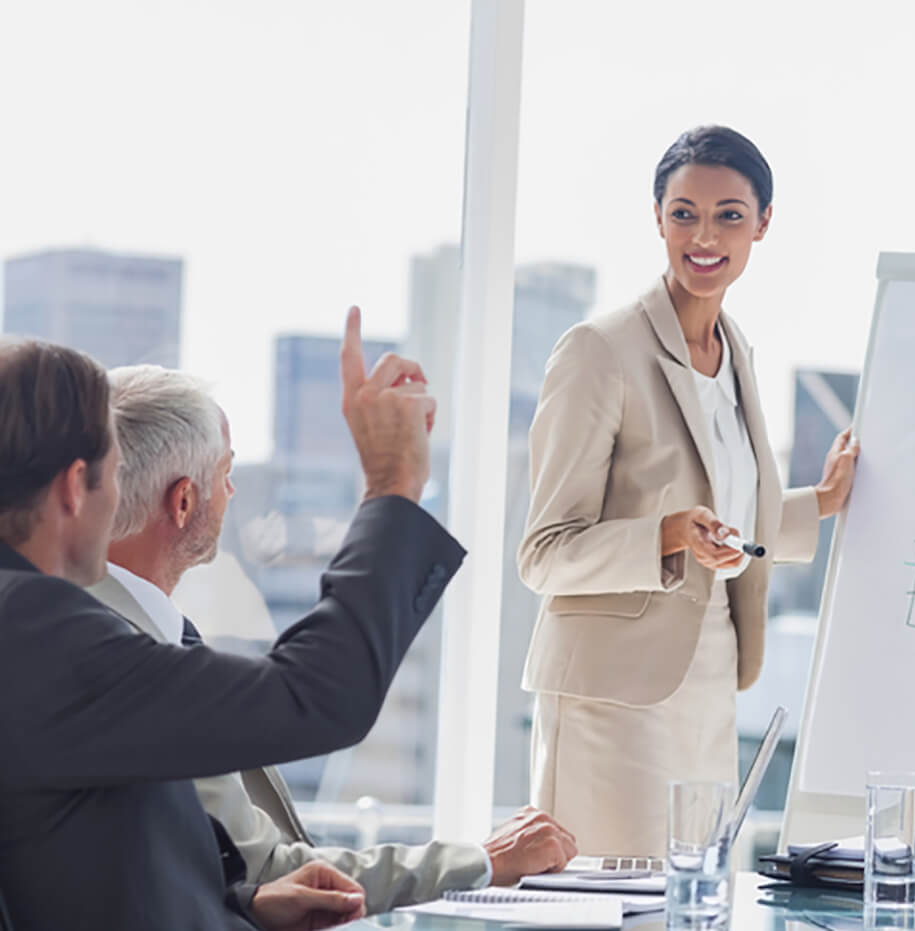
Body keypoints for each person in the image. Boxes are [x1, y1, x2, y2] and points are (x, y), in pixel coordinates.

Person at [0, 313, 458, 929]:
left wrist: (245, 902)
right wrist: (393, 484)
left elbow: (62, 868)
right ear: (76, 486)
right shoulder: (38, 629)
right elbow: (315, 695)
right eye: (114, 472)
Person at [86, 363, 580, 913]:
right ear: (182, 503)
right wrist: (485, 860)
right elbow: (267, 866)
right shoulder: (127, 658)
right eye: (225, 474)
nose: (231, 491)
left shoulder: (101, 627)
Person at [518, 124, 859, 855]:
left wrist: (819, 503)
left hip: (708, 682)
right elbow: (544, 553)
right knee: (624, 900)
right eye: (685, 213)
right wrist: (664, 535)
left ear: (763, 223)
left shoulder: (736, 353)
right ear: (657, 217)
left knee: (691, 902)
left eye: (729, 215)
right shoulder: (600, 351)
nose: (704, 235)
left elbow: (724, 512)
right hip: (613, 697)